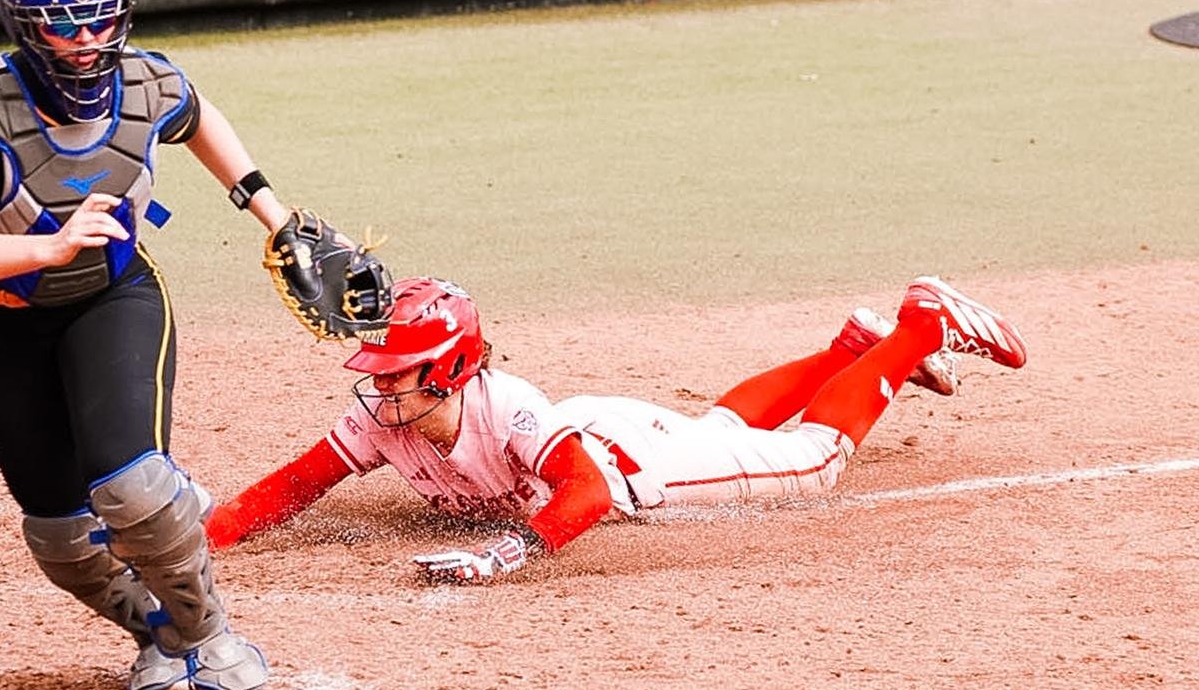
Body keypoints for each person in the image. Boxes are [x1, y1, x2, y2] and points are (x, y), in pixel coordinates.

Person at [0, 0, 296, 690]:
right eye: (63, 25)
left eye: (101, 20)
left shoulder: (148, 82)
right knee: (61, 538)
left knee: (133, 490)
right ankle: (157, 633)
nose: (87, 42)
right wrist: (48, 248)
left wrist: (273, 212)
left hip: (112, 297)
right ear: (26, 25)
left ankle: (208, 634)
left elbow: (198, 117)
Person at [204, 276, 1027, 583]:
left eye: (397, 371)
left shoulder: (503, 405)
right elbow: (296, 483)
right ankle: (850, 353)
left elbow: (589, 492)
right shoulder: (387, 420)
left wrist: (506, 555)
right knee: (720, 424)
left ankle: (922, 324)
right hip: (596, 426)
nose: (380, 384)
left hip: (635, 465)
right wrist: (197, 538)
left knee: (812, 463)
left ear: (448, 369)